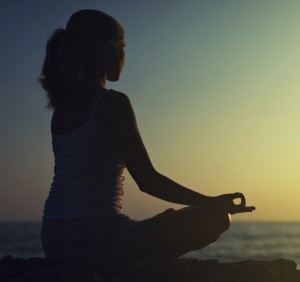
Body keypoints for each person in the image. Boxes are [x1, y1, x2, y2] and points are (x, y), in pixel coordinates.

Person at [40, 9, 255, 264]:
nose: (124, 56)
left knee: (161, 222)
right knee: (217, 218)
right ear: (110, 50)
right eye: (123, 47)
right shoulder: (112, 103)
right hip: (94, 239)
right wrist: (212, 202)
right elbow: (148, 181)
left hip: (51, 238)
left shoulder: (61, 108)